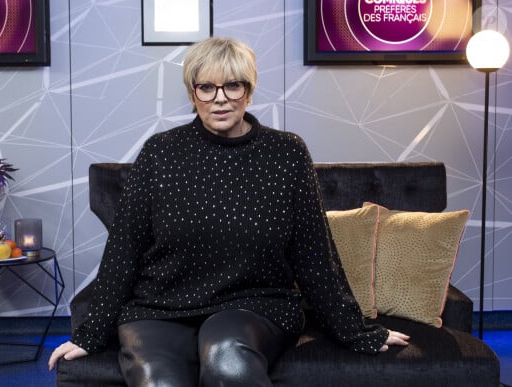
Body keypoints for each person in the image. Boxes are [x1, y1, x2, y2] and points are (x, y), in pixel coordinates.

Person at [48, 36, 409, 386]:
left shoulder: (286, 154)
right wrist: (90, 335)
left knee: (228, 362)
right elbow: (123, 250)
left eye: (232, 86)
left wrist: (357, 332)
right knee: (158, 381)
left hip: (254, 305)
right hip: (160, 307)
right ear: (193, 94)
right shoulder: (160, 153)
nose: (220, 99)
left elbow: (314, 255)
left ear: (249, 91)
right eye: (207, 88)